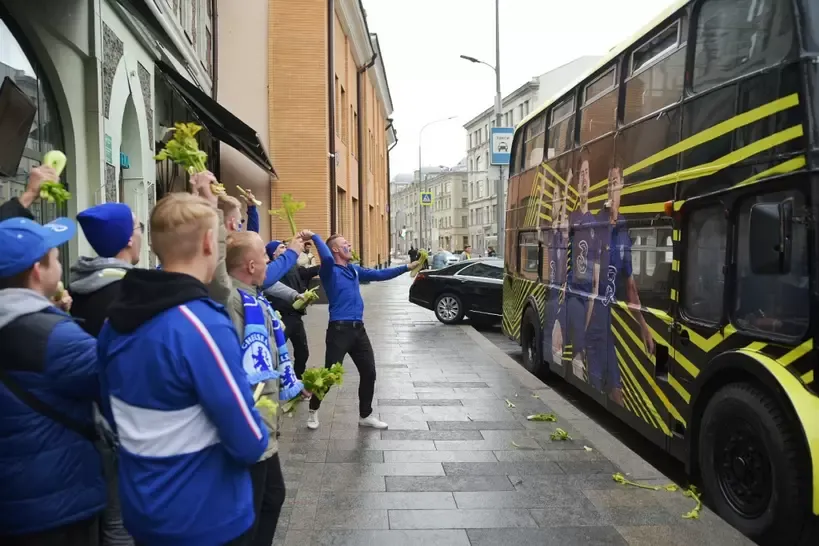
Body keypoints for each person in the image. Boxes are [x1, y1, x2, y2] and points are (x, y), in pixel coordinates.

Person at [96, 188, 270, 546]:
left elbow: (109, 407)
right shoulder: (201, 323)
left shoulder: (115, 320)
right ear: (209, 242)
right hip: (205, 515)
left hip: (144, 510)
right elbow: (248, 440)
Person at [0, 165, 106, 545]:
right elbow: (116, 383)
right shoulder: (58, 339)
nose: (60, 261)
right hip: (57, 509)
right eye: (53, 255)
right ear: (36, 270)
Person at [71, 202, 140, 546]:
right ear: (128, 239)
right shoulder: (132, 293)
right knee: (122, 524)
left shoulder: (80, 288)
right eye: (139, 227)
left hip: (89, 417)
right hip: (122, 426)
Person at [304, 232, 419, 430]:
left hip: (359, 330)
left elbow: (379, 274)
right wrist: (315, 237)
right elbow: (327, 258)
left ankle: (365, 415)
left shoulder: (353, 270)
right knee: (330, 376)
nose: (349, 244)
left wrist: (407, 267)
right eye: (344, 243)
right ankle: (313, 409)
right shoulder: (329, 271)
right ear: (335, 249)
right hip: (339, 330)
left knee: (369, 372)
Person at [225, 231, 288, 546]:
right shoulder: (234, 301)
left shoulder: (253, 297)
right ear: (251, 265)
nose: (268, 261)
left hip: (263, 420)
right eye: (264, 257)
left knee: (272, 496)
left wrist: (288, 383)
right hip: (252, 423)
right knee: (254, 508)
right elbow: (241, 366)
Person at [586, 165, 654, 405]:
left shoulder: (624, 229)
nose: (612, 187)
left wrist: (644, 327)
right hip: (593, 319)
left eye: (616, 181)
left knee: (614, 391)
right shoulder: (596, 223)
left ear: (623, 184)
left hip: (609, 319)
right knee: (602, 388)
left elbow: (630, 286)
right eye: (609, 183)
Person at [264, 240, 321, 379]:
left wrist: (323, 265)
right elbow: (274, 287)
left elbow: (305, 273)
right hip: (281, 317)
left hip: (295, 316)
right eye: (282, 247)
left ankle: (297, 379)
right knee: (277, 351)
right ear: (274, 253)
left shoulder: (292, 267)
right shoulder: (271, 270)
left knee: (303, 352)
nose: (286, 249)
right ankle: (276, 380)